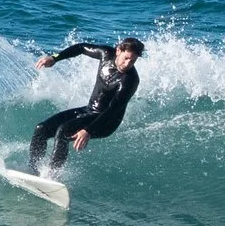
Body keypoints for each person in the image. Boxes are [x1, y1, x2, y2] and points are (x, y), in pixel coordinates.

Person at [28, 37, 145, 173]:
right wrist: (55, 58)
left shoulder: (130, 81)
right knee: (41, 129)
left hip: (107, 122)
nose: (128, 63)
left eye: (133, 60)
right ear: (118, 50)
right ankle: (33, 169)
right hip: (89, 110)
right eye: (126, 58)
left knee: (63, 131)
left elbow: (112, 110)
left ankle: (51, 175)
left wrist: (87, 130)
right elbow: (81, 48)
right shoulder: (106, 54)